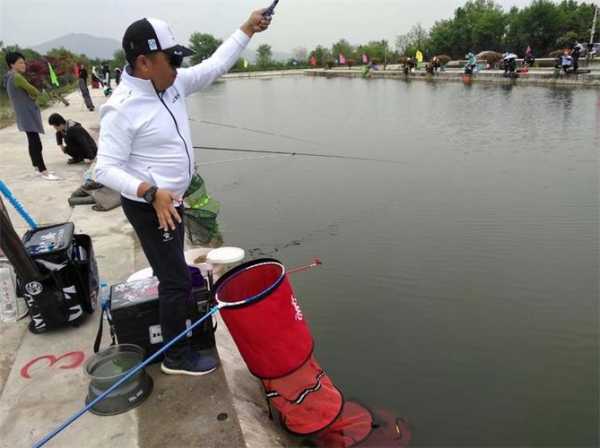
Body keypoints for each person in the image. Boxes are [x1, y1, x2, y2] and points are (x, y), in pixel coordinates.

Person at [95, 11, 271, 376]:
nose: (178, 65)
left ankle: (177, 340)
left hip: (170, 202)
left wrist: (247, 29)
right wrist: (149, 191)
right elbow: (105, 168)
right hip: (152, 208)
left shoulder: (171, 84)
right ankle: (177, 356)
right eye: (171, 58)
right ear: (144, 63)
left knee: (174, 273)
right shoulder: (121, 109)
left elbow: (215, 65)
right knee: (175, 283)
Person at [3, 52, 60, 181]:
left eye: (24, 62)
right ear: (12, 64)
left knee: (32, 140)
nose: (24, 65)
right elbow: (34, 90)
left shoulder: (8, 77)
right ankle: (43, 170)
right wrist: (35, 95)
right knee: (35, 142)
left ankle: (37, 167)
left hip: (22, 112)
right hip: (27, 112)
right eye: (20, 63)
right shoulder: (16, 77)